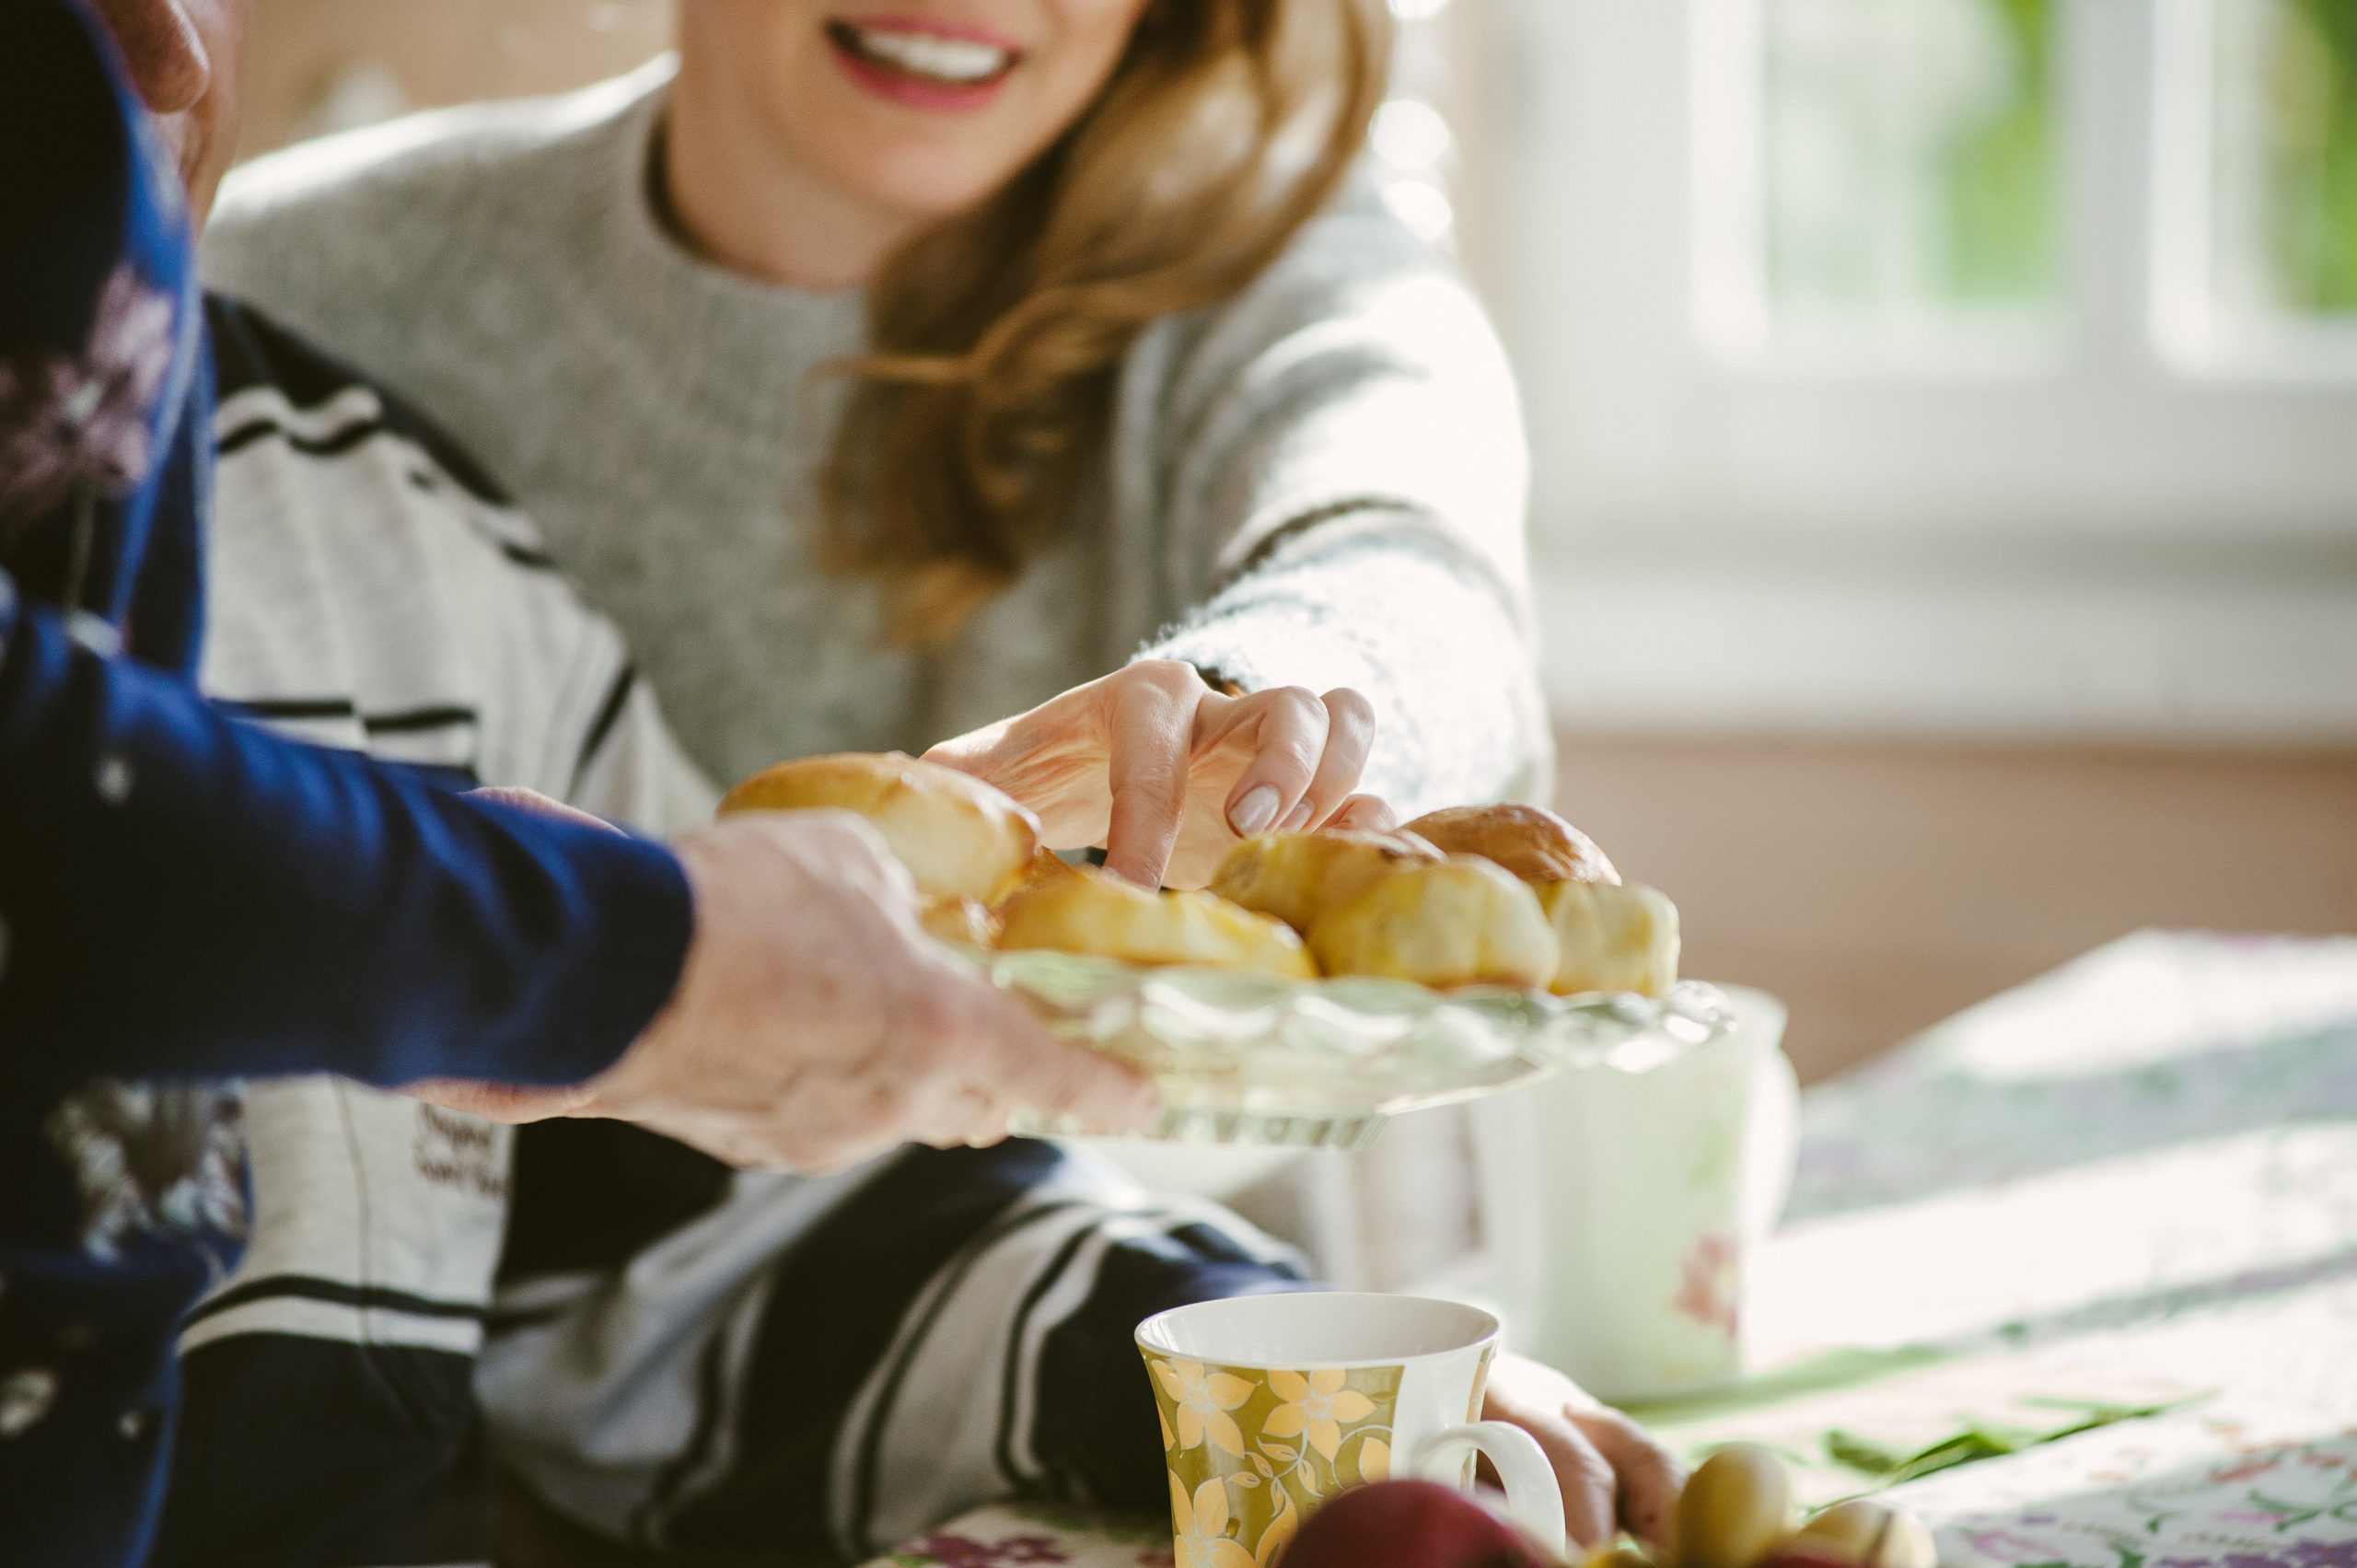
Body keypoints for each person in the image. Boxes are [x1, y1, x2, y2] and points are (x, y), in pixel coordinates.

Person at [199, 0, 1684, 1562]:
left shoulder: (1282, 271)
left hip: (1138, 1359)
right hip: (511, 1423)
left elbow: (1413, 564)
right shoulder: (272, 326)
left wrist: (1267, 716)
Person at [0, 3, 1198, 1562]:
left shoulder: (401, 537)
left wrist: (1249, 1367)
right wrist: (638, 951)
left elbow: (744, 1240)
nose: (162, 54)